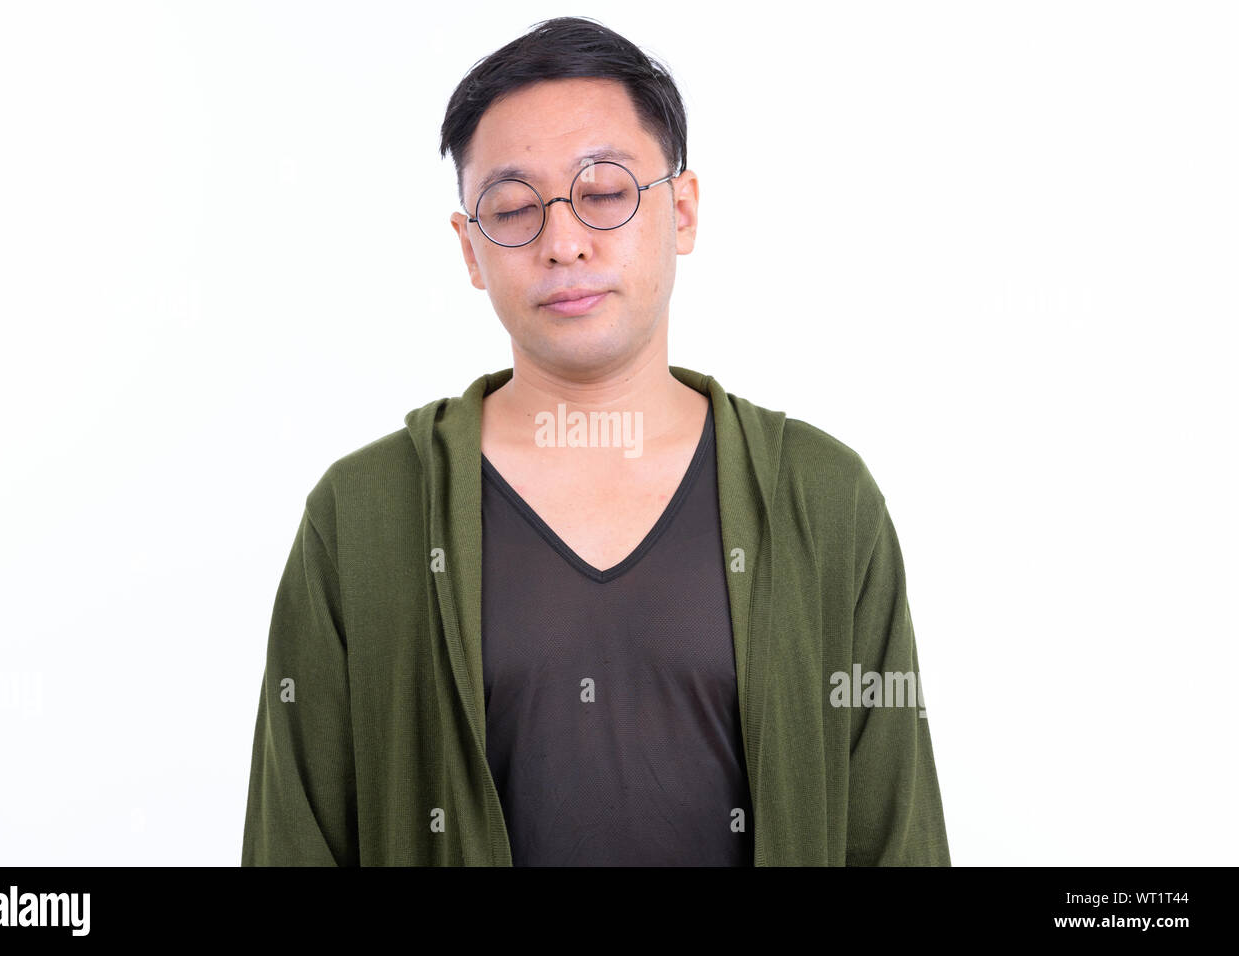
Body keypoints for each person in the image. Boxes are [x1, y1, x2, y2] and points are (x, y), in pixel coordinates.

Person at [241, 15, 950, 866]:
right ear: (470, 251)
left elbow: (897, 838)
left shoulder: (822, 499)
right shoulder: (365, 516)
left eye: (606, 192)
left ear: (681, 211)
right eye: (512, 209)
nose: (563, 240)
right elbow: (292, 840)